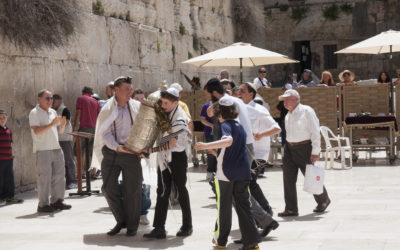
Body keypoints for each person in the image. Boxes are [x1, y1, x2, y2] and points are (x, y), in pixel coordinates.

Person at [194, 99, 260, 250]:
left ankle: (221, 241)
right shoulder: (240, 127)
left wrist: (205, 145)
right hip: (243, 172)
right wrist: (217, 153)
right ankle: (251, 242)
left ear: (220, 113)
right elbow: (234, 150)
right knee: (244, 207)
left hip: (226, 174)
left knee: (224, 207)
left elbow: (228, 141)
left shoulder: (225, 125)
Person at [92, 76, 142, 236]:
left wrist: (141, 147)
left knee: (132, 190)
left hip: (131, 153)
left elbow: (145, 128)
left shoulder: (136, 107)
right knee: (107, 187)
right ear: (117, 90)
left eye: (131, 89)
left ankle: (133, 225)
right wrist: (117, 147)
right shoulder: (106, 109)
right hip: (112, 152)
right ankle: (121, 220)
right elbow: (104, 133)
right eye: (127, 89)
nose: (130, 92)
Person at [142, 88, 193, 239]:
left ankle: (187, 225)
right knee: (162, 191)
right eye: (162, 102)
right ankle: (159, 228)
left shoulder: (179, 118)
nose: (163, 106)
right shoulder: (168, 114)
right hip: (165, 159)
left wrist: (151, 150)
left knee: (180, 191)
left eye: (166, 103)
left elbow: (171, 143)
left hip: (177, 158)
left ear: (176, 102)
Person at [277, 89, 331, 217]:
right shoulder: (288, 115)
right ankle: (291, 208)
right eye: (283, 100)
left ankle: (323, 199)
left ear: (296, 99)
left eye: (287, 99)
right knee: (288, 179)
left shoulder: (307, 111)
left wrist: (315, 151)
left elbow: (315, 131)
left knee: (310, 176)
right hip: (289, 148)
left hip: (304, 147)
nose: (284, 102)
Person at [29, 89, 71, 213]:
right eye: (47, 98)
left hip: (56, 148)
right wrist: (51, 124)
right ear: (39, 99)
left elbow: (60, 131)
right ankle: (43, 204)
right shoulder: (34, 113)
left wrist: (62, 125)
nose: (50, 101)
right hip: (43, 149)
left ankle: (57, 201)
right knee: (44, 178)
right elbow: (36, 131)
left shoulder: (53, 112)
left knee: (59, 176)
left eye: (52, 98)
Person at [132, 89, 151, 225]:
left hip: (144, 154)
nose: (139, 101)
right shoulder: (127, 113)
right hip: (130, 153)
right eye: (137, 98)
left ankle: (143, 212)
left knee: (145, 184)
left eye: (142, 98)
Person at [73, 86, 100, 177]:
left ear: (82, 91)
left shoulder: (81, 99)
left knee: (77, 151)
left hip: (84, 129)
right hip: (94, 129)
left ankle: (81, 172)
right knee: (91, 152)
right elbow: (98, 117)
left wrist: (75, 129)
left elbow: (78, 114)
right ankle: (92, 172)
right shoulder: (96, 102)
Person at [52, 94, 77, 190]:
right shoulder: (54, 111)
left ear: (59, 101)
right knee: (59, 162)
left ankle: (73, 181)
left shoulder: (64, 110)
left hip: (65, 139)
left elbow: (66, 121)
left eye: (53, 101)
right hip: (57, 139)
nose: (52, 103)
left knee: (69, 160)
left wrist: (55, 124)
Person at [0, 110, 23, 206]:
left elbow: (10, 144)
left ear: (7, 118)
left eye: (4, 117)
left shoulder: (8, 130)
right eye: (0, 118)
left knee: (9, 179)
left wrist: (12, 155)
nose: (2, 119)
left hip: (9, 159)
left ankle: (9, 197)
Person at [200, 86, 216, 182]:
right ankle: (210, 172)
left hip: (219, 134)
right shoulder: (205, 106)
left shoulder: (219, 105)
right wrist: (211, 125)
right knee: (210, 153)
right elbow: (202, 120)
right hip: (209, 134)